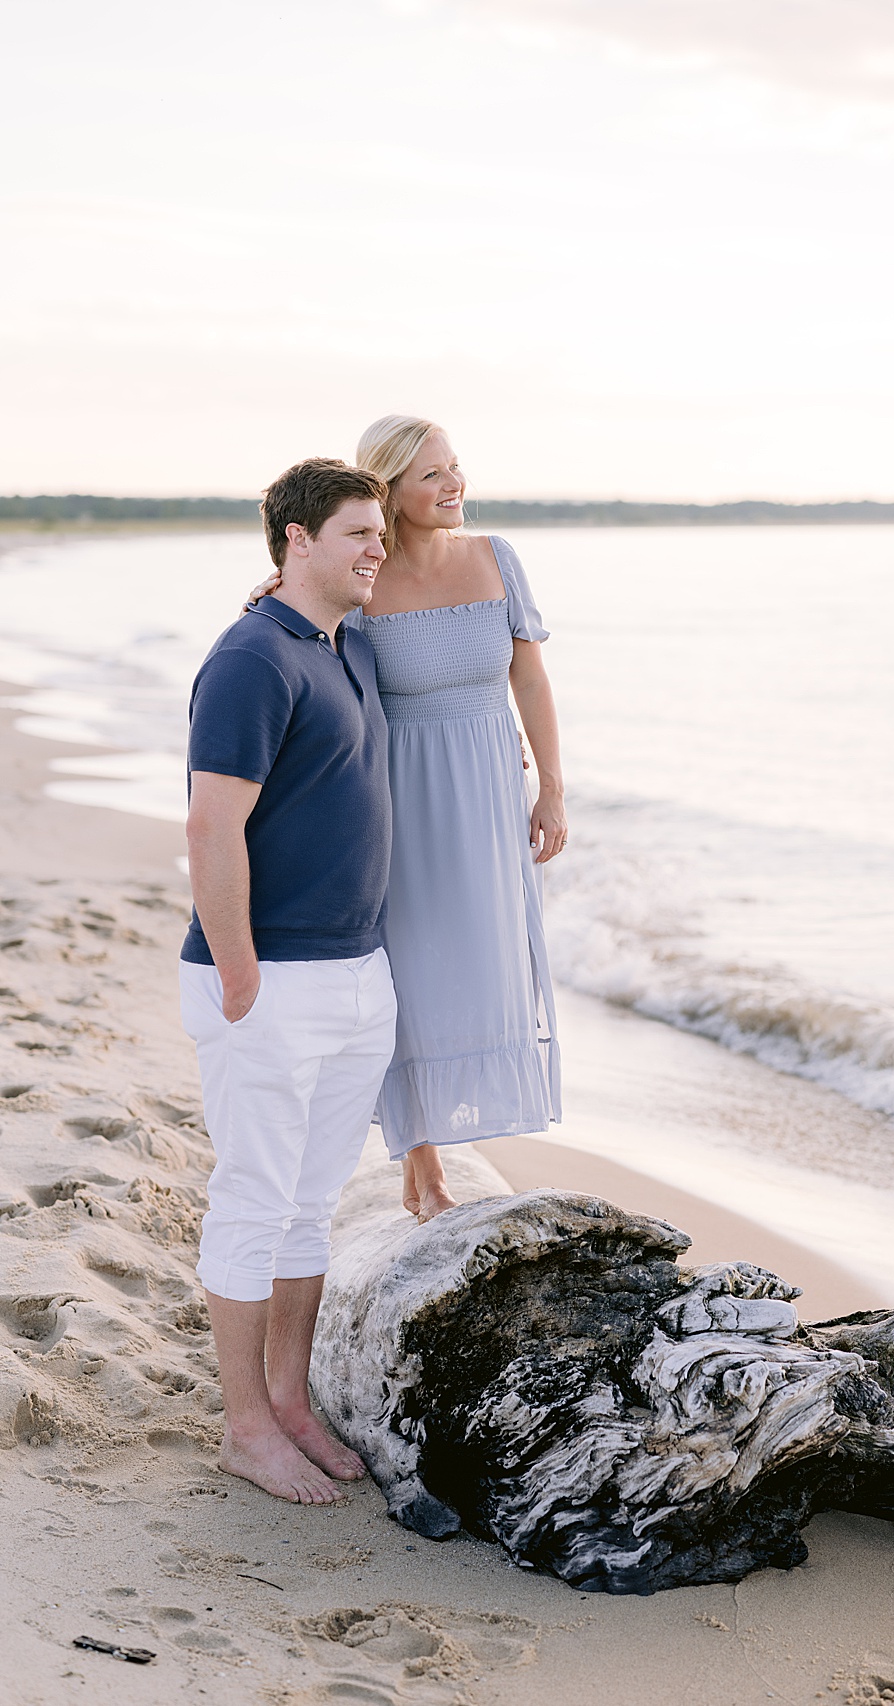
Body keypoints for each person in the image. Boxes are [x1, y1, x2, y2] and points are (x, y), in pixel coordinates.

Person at [247, 415, 567, 1222]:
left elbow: (530, 679)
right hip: (396, 790)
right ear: (388, 490)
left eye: (456, 467)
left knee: (485, 956)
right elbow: (303, 639)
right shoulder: (366, 572)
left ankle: (447, 1143)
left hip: (489, 783)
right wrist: (269, 594)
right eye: (432, 475)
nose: (454, 485)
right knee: (409, 965)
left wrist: (552, 785)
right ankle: (419, 1162)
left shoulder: (498, 559)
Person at [181, 458, 398, 1505]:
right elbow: (211, 822)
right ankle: (243, 1427)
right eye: (356, 532)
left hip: (359, 973)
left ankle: (290, 1399)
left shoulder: (339, 645)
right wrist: (237, 974)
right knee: (254, 1201)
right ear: (295, 541)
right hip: (270, 981)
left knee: (311, 1206)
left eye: (379, 534)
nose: (375, 550)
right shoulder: (251, 658)